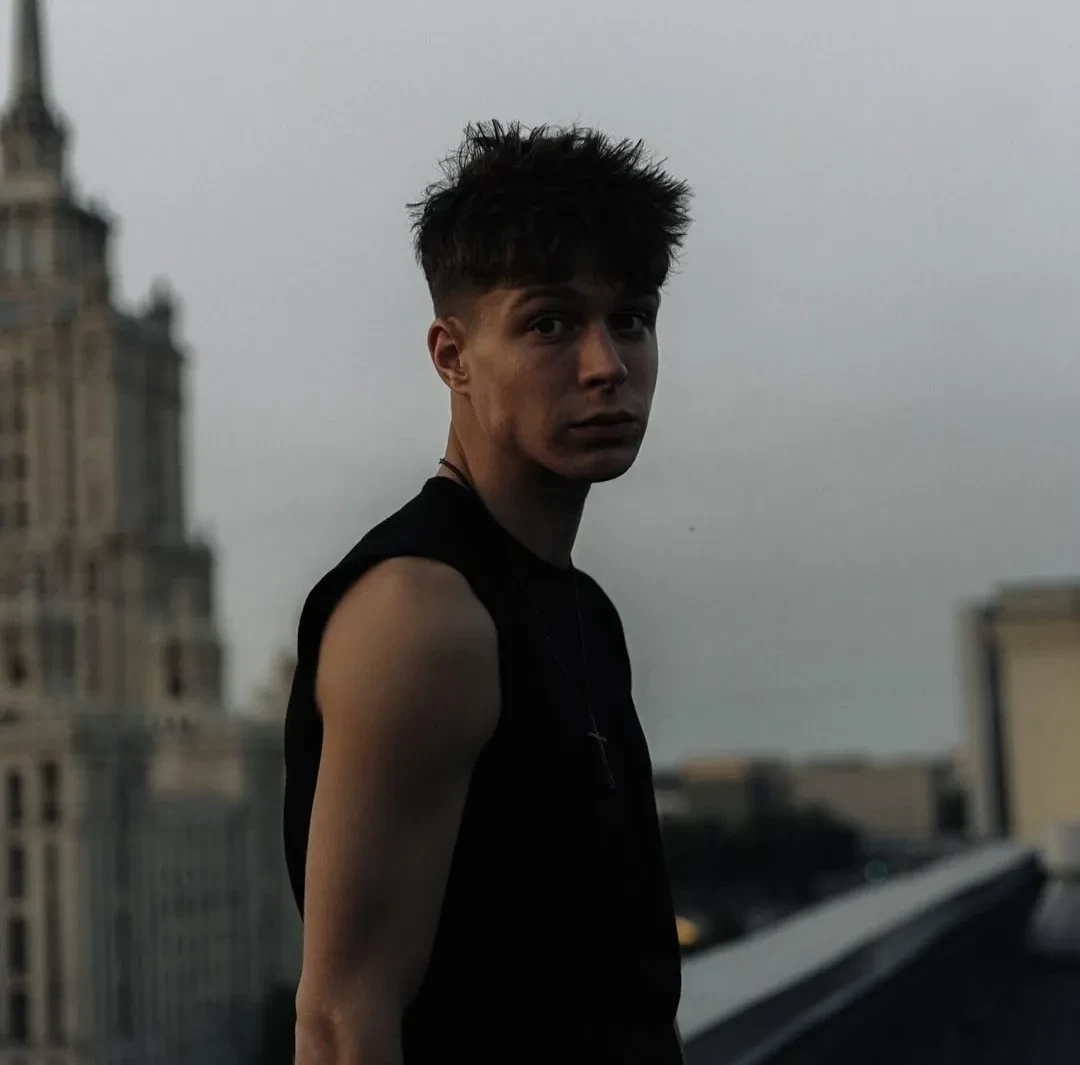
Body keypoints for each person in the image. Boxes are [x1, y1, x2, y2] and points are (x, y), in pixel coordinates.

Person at [285, 120, 693, 1064]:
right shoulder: (421, 612)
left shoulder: (583, 612)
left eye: (631, 319)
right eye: (550, 323)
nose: (607, 364)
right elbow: (342, 1020)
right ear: (452, 355)